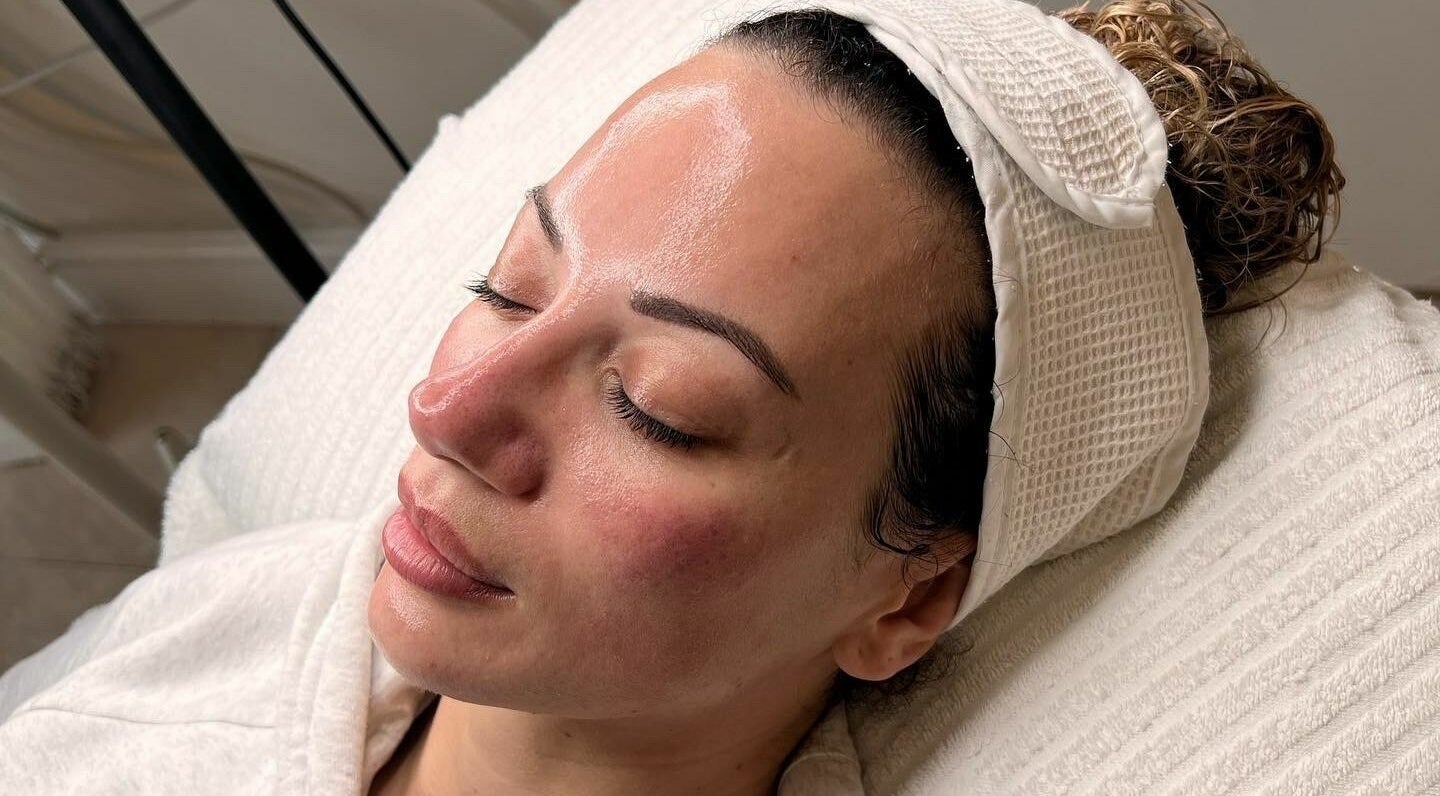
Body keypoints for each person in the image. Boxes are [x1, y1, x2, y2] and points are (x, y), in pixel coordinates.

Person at [0, 2, 1341, 794]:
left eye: (658, 407)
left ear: (910, 596)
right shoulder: (232, 619)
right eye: (508, 288)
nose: (447, 408)